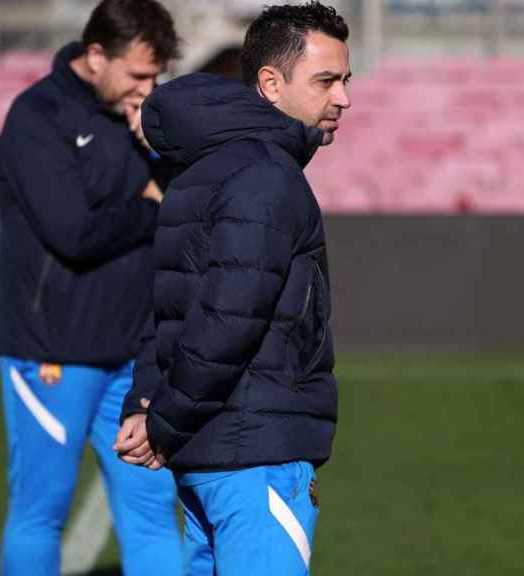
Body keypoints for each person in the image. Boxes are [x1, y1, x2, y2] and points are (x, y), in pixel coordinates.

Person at [112, 2, 350, 574]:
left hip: (212, 455)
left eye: (345, 80)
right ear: (271, 83)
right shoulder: (265, 176)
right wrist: (162, 419)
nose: (343, 98)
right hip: (254, 455)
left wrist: (148, 403)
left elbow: (172, 307)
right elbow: (226, 320)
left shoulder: (204, 165)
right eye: (326, 80)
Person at [0, 1, 183, 574]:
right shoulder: (36, 117)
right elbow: (73, 233)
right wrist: (150, 204)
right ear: (96, 56)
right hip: (52, 353)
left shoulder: (150, 119)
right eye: (140, 75)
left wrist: (157, 152)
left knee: (152, 514)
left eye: (157, 76)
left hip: (135, 360)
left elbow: (185, 203)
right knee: (39, 513)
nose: (149, 88)